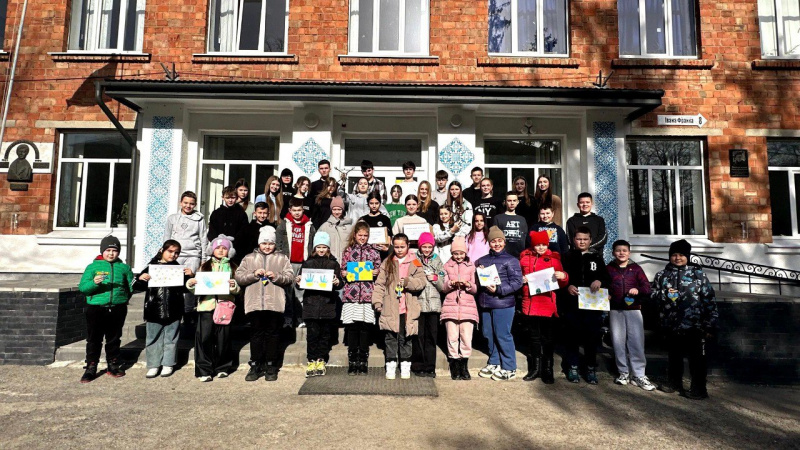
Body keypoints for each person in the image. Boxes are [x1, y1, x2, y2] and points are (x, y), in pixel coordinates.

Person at [652, 239, 718, 400]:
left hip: (695, 325)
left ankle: (699, 389)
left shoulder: (698, 275)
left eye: (681, 255)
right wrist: (664, 294)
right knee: (674, 356)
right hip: (671, 324)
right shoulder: (662, 275)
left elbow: (709, 299)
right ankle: (674, 383)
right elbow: (652, 295)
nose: (677, 258)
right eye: (674, 255)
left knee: (697, 359)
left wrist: (710, 324)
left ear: (687, 256)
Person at [235, 226, 294, 382]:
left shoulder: (282, 258)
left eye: (270, 244)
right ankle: (255, 364)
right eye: (264, 243)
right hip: (254, 303)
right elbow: (239, 276)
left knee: (273, 334)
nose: (267, 247)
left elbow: (290, 277)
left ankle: (271, 365)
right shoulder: (249, 258)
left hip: (274, 303)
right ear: (259, 243)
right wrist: (254, 274)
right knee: (256, 334)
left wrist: (276, 276)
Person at [77, 235, 135, 383]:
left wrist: (123, 299)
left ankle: (113, 364)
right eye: (108, 250)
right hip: (96, 308)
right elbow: (83, 288)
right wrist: (94, 283)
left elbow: (131, 288)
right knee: (94, 339)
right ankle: (91, 366)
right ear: (102, 251)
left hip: (117, 308)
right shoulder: (92, 267)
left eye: (114, 250)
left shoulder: (124, 268)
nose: (111, 253)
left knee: (114, 338)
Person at [133, 240, 193, 379]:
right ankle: (153, 365)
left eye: (176, 253)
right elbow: (137, 286)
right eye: (170, 251)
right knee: (153, 338)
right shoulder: (151, 267)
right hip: (153, 309)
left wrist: (190, 276)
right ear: (162, 250)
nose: (173, 255)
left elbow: (187, 288)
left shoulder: (179, 269)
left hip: (174, 309)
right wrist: (140, 278)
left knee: (171, 338)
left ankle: (168, 364)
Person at [372, 233, 426, 380]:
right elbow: (380, 284)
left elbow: (422, 281)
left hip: (407, 307)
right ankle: (390, 364)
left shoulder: (415, 262)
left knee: (406, 337)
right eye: (396, 247)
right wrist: (377, 302)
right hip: (390, 306)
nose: (399, 250)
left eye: (402, 246)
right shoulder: (387, 262)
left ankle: (405, 364)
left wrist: (408, 282)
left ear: (408, 246)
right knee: (390, 337)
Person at [561, 226, 611, 384]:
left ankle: (590, 368)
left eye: (585, 239)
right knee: (572, 337)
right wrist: (567, 286)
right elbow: (560, 278)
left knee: (591, 338)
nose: (582, 242)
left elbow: (606, 278)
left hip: (592, 306)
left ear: (590, 240)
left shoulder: (597, 258)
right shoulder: (567, 257)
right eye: (578, 239)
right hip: (573, 304)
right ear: (573, 240)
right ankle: (573, 367)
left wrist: (600, 281)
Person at [186, 236, 240, 382]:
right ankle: (204, 370)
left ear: (230, 251)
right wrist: (191, 284)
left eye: (224, 248)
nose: (221, 251)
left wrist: (233, 286)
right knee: (204, 338)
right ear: (212, 250)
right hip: (206, 306)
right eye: (217, 248)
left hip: (225, 307)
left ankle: (223, 367)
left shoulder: (234, 267)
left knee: (223, 339)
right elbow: (197, 289)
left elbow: (239, 290)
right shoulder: (204, 266)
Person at [518, 231, 569, 384]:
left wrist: (563, 277)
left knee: (548, 338)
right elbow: (517, 277)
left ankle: (547, 369)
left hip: (547, 303)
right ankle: (535, 368)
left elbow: (562, 283)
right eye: (537, 245)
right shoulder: (524, 258)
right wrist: (521, 280)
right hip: (530, 302)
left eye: (543, 244)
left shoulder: (554, 259)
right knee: (533, 338)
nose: (540, 247)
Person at [476, 226, 523, 381]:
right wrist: (479, 272)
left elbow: (517, 282)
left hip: (504, 304)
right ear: (489, 243)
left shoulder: (511, 260)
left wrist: (499, 289)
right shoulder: (482, 260)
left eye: (499, 241)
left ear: (504, 242)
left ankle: (509, 367)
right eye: (493, 241)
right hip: (486, 303)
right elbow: (478, 282)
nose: (496, 244)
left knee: (503, 334)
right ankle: (494, 362)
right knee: (488, 334)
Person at [607, 240, 655, 391]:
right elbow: (604, 285)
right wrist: (606, 294)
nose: (621, 253)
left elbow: (647, 288)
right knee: (618, 341)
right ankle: (623, 372)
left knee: (636, 341)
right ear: (613, 252)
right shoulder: (609, 269)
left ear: (629, 253)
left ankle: (639, 374)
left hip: (634, 309)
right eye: (618, 250)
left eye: (624, 250)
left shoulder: (636, 269)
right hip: (615, 310)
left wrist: (637, 290)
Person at [295, 232, 344, 378]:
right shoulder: (307, 263)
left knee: (324, 335)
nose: (321, 250)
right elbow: (300, 285)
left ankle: (321, 360)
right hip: (311, 305)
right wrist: (298, 282)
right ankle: (311, 360)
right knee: (312, 335)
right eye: (319, 247)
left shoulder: (333, 264)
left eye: (324, 247)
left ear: (328, 248)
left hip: (327, 305)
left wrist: (337, 282)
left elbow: (340, 283)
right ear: (314, 248)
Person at [340, 222, 383, 375]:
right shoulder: (348, 251)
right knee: (352, 328)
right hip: (351, 294)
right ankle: (352, 360)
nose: (363, 238)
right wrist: (344, 273)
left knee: (365, 328)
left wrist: (376, 272)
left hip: (367, 294)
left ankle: (363, 360)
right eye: (360, 235)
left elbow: (379, 269)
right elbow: (343, 269)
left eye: (365, 235)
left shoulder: (374, 252)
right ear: (355, 235)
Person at [164, 191, 207, 319]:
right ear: (180, 203)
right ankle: (173, 312)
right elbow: (167, 238)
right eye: (186, 203)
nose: (188, 206)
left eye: (191, 204)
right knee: (174, 284)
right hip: (175, 255)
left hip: (193, 255)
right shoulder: (172, 218)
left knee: (190, 284)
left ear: (195, 204)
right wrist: (165, 256)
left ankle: (189, 314)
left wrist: (203, 258)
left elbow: (203, 239)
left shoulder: (199, 218)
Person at [441, 236, 478, 380]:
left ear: (466, 253)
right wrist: (450, 284)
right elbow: (443, 288)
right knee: (452, 337)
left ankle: (464, 365)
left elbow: (475, 289)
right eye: (456, 253)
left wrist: (468, 285)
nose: (458, 256)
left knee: (466, 337)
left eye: (461, 253)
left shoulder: (471, 266)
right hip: (451, 306)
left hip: (467, 307)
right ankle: (454, 364)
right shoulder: (446, 266)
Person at [276, 198, 316, 327]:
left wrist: (310, 260)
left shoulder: (309, 225)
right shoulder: (284, 224)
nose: (297, 213)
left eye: (299, 210)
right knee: (288, 292)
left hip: (303, 262)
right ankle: (288, 318)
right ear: (290, 210)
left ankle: (300, 318)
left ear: (303, 210)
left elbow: (312, 244)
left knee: (300, 292)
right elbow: (278, 244)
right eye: (294, 210)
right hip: (288, 262)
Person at [411, 232, 446, 378]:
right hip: (418, 303)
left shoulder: (437, 260)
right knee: (418, 336)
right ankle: (418, 365)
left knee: (431, 336)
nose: (426, 249)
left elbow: (443, 285)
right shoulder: (414, 259)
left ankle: (430, 367)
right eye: (424, 247)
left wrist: (435, 278)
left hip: (433, 304)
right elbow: (410, 278)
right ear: (420, 246)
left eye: (429, 247)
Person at [493, 191, 530, 258]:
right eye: (509, 201)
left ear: (517, 202)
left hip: (519, 256)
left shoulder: (522, 219)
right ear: (505, 202)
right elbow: (494, 238)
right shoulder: (498, 218)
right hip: (502, 256)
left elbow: (525, 237)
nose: (512, 203)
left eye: (514, 200)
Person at [317, 196, 353, 263]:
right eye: (334, 209)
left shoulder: (349, 227)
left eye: (339, 209)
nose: (336, 212)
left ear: (343, 210)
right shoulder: (325, 227)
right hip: (329, 262)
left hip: (345, 261)